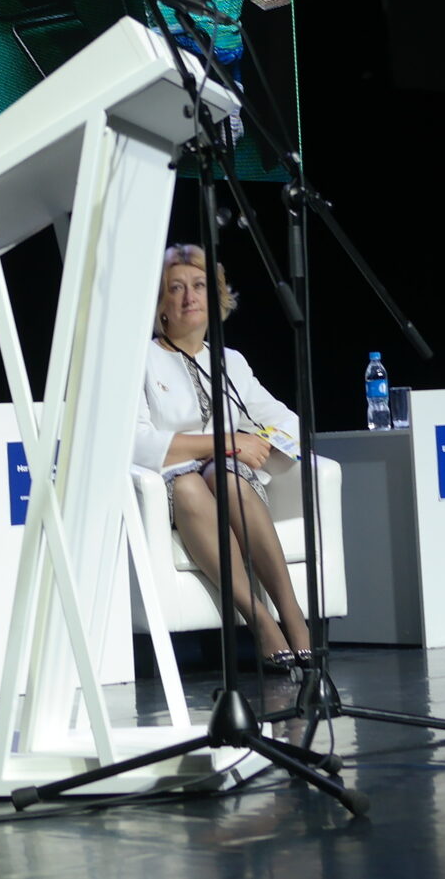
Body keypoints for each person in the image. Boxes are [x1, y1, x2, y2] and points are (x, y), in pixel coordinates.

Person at [135, 244, 315, 667]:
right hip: (172, 491)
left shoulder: (231, 363)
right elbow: (140, 443)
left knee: (224, 475)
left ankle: (292, 613)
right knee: (191, 484)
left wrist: (254, 442)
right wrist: (227, 441)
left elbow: (288, 424)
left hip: (231, 484)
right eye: (176, 288)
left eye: (199, 286)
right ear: (160, 304)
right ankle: (260, 621)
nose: (189, 297)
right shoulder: (142, 360)